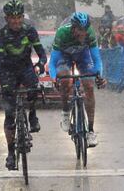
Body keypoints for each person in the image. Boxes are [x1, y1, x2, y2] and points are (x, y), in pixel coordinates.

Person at [0, 0, 47, 170]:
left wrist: (40, 65)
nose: (16, 21)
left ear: (23, 17)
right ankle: (10, 154)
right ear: (6, 18)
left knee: (34, 87)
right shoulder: (1, 34)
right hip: (8, 71)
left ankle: (32, 115)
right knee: (9, 115)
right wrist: (4, 84)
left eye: (19, 18)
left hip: (25, 68)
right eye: (12, 18)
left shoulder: (30, 31)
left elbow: (42, 55)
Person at [48, 12, 107, 148]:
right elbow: (52, 63)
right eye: (80, 30)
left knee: (89, 86)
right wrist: (54, 78)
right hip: (65, 56)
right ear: (73, 28)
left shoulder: (90, 33)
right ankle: (65, 112)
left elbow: (97, 59)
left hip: (83, 56)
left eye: (85, 31)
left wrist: (99, 75)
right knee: (64, 79)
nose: (83, 34)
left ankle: (91, 131)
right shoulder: (62, 33)